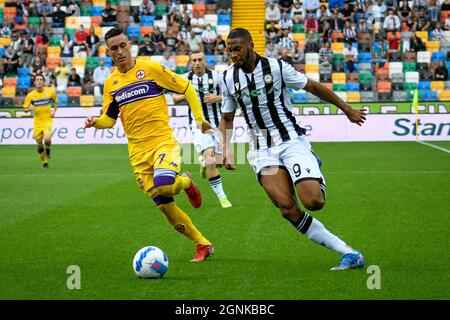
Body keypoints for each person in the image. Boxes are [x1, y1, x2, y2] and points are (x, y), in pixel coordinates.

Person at [219, 28, 366, 270]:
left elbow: (313, 87)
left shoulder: (277, 68)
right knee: (287, 209)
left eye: (237, 49)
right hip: (261, 148)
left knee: (313, 202)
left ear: (251, 46)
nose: (233, 54)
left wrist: (346, 108)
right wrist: (225, 148)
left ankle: (312, 167)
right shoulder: (227, 78)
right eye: (229, 50)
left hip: (290, 140)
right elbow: (227, 118)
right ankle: (348, 253)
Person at [84, 27, 214, 262]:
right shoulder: (111, 83)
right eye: (114, 48)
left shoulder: (152, 69)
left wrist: (199, 118)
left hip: (162, 141)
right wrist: (96, 122)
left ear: (130, 44)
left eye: (123, 45)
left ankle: (185, 181)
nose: (120, 51)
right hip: (137, 152)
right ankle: (203, 244)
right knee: (163, 205)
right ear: (108, 52)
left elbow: (186, 88)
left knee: (164, 184)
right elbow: (109, 119)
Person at [173, 51, 232, 208]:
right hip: (199, 125)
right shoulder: (186, 78)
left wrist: (217, 98)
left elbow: (231, 95)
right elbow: (174, 98)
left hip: (218, 124)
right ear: (191, 63)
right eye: (194, 60)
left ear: (205, 61)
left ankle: (205, 164)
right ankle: (223, 198)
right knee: (211, 160)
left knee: (219, 162)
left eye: (200, 60)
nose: (197, 63)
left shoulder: (218, 76)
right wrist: (187, 94)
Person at [23, 74, 58, 169]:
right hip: (37, 123)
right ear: (34, 82)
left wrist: (54, 111)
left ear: (43, 81)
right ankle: (44, 162)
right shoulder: (30, 95)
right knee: (39, 143)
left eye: (41, 79)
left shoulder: (50, 91)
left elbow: (56, 102)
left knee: (47, 139)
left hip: (47, 120)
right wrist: (29, 108)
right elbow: (25, 109)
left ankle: (48, 149)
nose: (39, 81)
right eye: (37, 79)